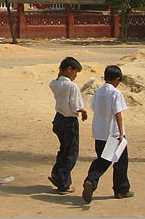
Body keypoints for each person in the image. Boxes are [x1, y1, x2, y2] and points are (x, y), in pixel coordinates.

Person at [82, 65, 134, 203]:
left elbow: (94, 107)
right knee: (119, 162)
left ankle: (92, 182)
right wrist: (122, 133)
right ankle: (120, 189)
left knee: (102, 159)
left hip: (99, 132)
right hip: (113, 133)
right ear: (117, 79)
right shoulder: (115, 93)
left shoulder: (98, 92)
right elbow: (118, 113)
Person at [48, 56, 87, 195]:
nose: (75, 76)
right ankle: (63, 183)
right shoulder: (72, 86)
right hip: (69, 121)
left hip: (58, 119)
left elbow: (55, 81)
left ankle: (56, 173)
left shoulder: (54, 84)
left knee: (64, 149)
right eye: (75, 72)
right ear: (69, 70)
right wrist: (83, 111)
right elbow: (75, 105)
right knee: (71, 153)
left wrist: (60, 73)